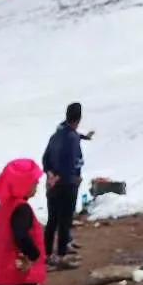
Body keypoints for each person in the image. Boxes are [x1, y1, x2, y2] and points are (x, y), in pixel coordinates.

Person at [42, 101, 88, 267]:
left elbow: (45, 158)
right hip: (67, 184)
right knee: (65, 219)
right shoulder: (72, 138)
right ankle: (61, 255)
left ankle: (47, 253)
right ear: (79, 118)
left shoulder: (56, 135)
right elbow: (73, 162)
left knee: (53, 220)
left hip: (53, 183)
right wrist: (74, 177)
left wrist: (50, 174)